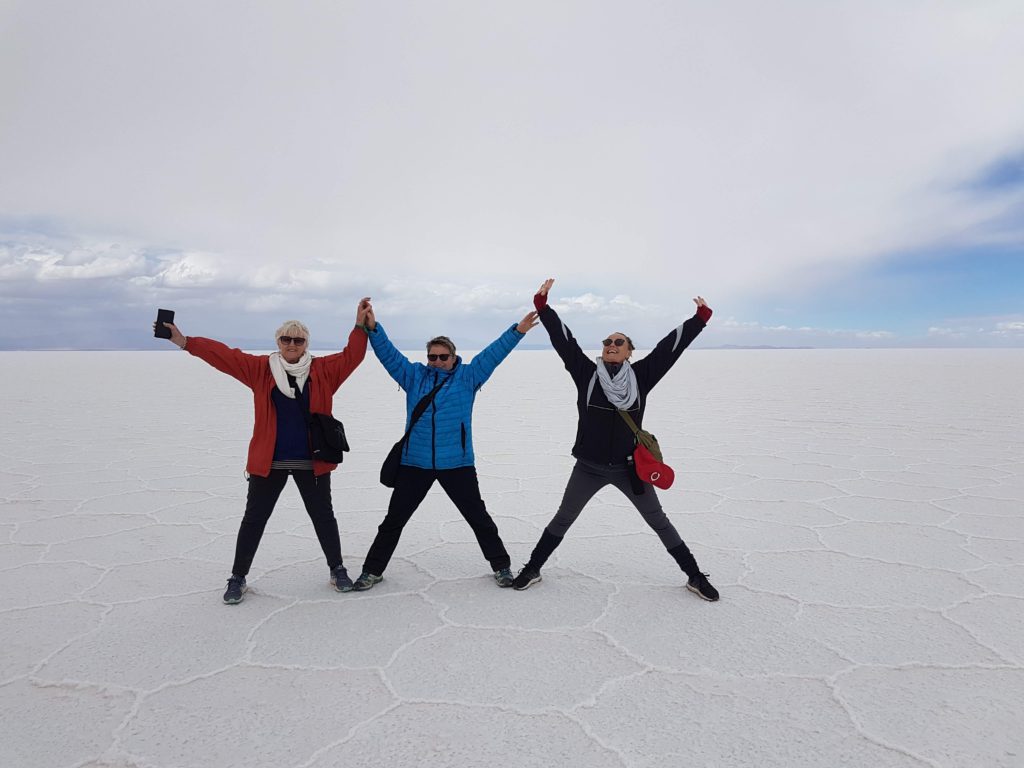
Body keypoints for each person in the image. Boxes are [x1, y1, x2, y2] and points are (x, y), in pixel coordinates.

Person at [511, 279, 720, 601]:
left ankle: (694, 576)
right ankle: (533, 568)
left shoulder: (641, 376)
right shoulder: (586, 374)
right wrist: (543, 308)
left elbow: (670, 348)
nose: (611, 344)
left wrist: (700, 319)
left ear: (629, 352)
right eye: (607, 340)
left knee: (658, 521)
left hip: (628, 469)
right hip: (589, 467)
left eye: (618, 341)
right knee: (563, 518)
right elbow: (565, 342)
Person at [156, 300, 370, 604]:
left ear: (306, 343)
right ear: (278, 342)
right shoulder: (261, 370)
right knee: (254, 519)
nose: (292, 345)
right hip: (270, 461)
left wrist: (360, 325)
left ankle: (337, 569)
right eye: (286, 339)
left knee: (323, 517)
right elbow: (225, 357)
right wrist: (185, 341)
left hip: (313, 460)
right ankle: (237, 578)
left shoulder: (323, 371)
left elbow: (353, 356)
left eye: (298, 340)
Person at [352, 300, 539, 590]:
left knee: (478, 518)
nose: (437, 361)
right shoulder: (413, 376)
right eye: (432, 357)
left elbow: (493, 354)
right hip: (415, 462)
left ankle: (502, 567)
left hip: (457, 463)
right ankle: (372, 571)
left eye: (442, 357)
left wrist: (518, 331)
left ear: (453, 357)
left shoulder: (468, 377)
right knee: (393, 521)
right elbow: (389, 355)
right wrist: (373, 329)